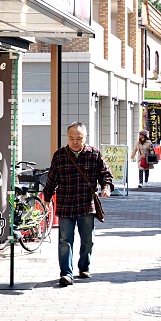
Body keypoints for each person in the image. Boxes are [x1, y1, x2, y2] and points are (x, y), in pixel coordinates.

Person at [42, 122, 114, 287]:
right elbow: (51, 179)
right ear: (67, 138)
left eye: (79, 138)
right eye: (71, 138)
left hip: (86, 205)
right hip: (66, 204)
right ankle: (66, 273)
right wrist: (46, 197)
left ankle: (83, 266)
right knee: (65, 241)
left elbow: (106, 174)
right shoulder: (59, 155)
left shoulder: (94, 154)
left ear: (85, 138)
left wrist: (106, 187)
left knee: (88, 240)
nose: (75, 142)